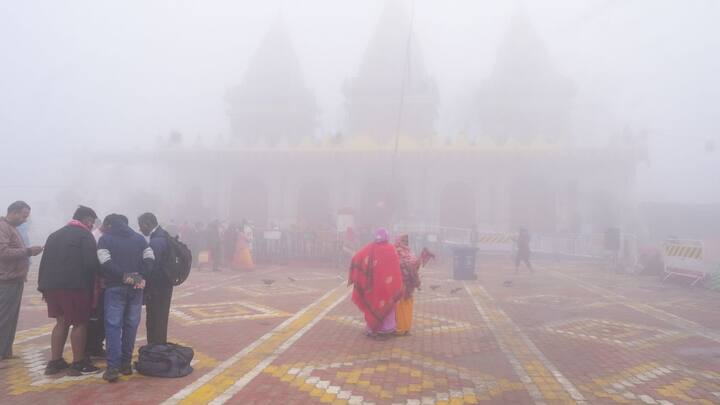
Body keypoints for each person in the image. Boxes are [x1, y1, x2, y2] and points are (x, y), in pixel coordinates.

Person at [38, 206, 102, 376]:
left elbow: (43, 262)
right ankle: (78, 363)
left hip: (51, 286)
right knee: (80, 323)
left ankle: (55, 362)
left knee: (61, 322)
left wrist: (43, 286)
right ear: (87, 219)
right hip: (75, 287)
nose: (92, 226)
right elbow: (90, 264)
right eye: (92, 222)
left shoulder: (54, 234)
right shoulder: (84, 235)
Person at [97, 214, 154, 382]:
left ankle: (112, 368)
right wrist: (139, 277)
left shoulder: (105, 239)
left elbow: (105, 263)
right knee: (131, 326)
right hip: (136, 289)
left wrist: (124, 276)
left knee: (113, 327)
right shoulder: (140, 239)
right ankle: (126, 364)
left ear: (109, 225)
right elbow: (151, 258)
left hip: (115, 288)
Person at [0, 201, 43, 369]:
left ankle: (5, 351)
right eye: (24, 216)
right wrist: (28, 251)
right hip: (6, 280)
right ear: (14, 212)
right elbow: (2, 252)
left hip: (15, 279)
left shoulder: (13, 228)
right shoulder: (3, 227)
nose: (25, 220)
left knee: (10, 318)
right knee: (4, 318)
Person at [348, 228, 403, 339]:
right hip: (388, 287)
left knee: (372, 304)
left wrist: (359, 273)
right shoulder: (391, 249)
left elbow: (356, 258)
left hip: (372, 287)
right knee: (387, 306)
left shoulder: (369, 247)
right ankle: (386, 330)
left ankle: (372, 329)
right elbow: (396, 269)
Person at [138, 212, 173, 345]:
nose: (140, 229)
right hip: (165, 284)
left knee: (155, 318)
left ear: (148, 224)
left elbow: (152, 267)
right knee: (161, 318)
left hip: (158, 287)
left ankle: (156, 349)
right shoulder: (163, 235)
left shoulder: (156, 241)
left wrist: (143, 282)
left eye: (141, 226)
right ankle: (158, 346)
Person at [394, 235, 421, 336]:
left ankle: (404, 328)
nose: (405, 242)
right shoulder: (398, 251)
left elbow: (414, 266)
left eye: (406, 240)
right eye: (403, 240)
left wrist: (416, 264)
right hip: (403, 283)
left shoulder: (406, 252)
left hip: (406, 284)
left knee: (405, 305)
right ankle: (402, 328)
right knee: (402, 305)